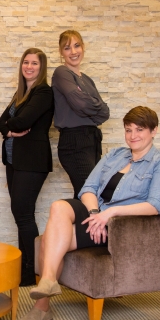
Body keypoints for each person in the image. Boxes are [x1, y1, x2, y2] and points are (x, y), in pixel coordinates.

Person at [18, 106, 160, 320]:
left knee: (49, 240)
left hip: (119, 225)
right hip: (97, 212)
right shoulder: (116, 155)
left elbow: (155, 205)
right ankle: (48, 281)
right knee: (58, 206)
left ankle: (42, 306)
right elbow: (88, 188)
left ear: (154, 131)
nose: (133, 136)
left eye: (140, 130)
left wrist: (110, 213)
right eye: (128, 130)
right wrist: (95, 214)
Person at [0, 48, 54, 286]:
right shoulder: (21, 93)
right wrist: (10, 131)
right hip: (14, 161)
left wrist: (11, 126)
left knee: (23, 214)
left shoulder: (43, 92)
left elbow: (23, 121)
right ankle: (25, 269)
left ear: (42, 68)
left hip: (32, 161)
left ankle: (33, 271)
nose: (29, 67)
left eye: (34, 63)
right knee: (20, 214)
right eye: (26, 62)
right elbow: (1, 123)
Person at [52, 30, 110, 199]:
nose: (73, 51)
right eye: (67, 48)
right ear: (61, 52)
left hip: (92, 141)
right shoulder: (62, 73)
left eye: (77, 46)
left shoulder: (87, 79)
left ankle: (74, 218)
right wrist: (91, 105)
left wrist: (88, 105)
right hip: (74, 142)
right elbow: (80, 104)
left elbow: (104, 113)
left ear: (83, 47)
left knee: (87, 194)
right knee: (88, 194)